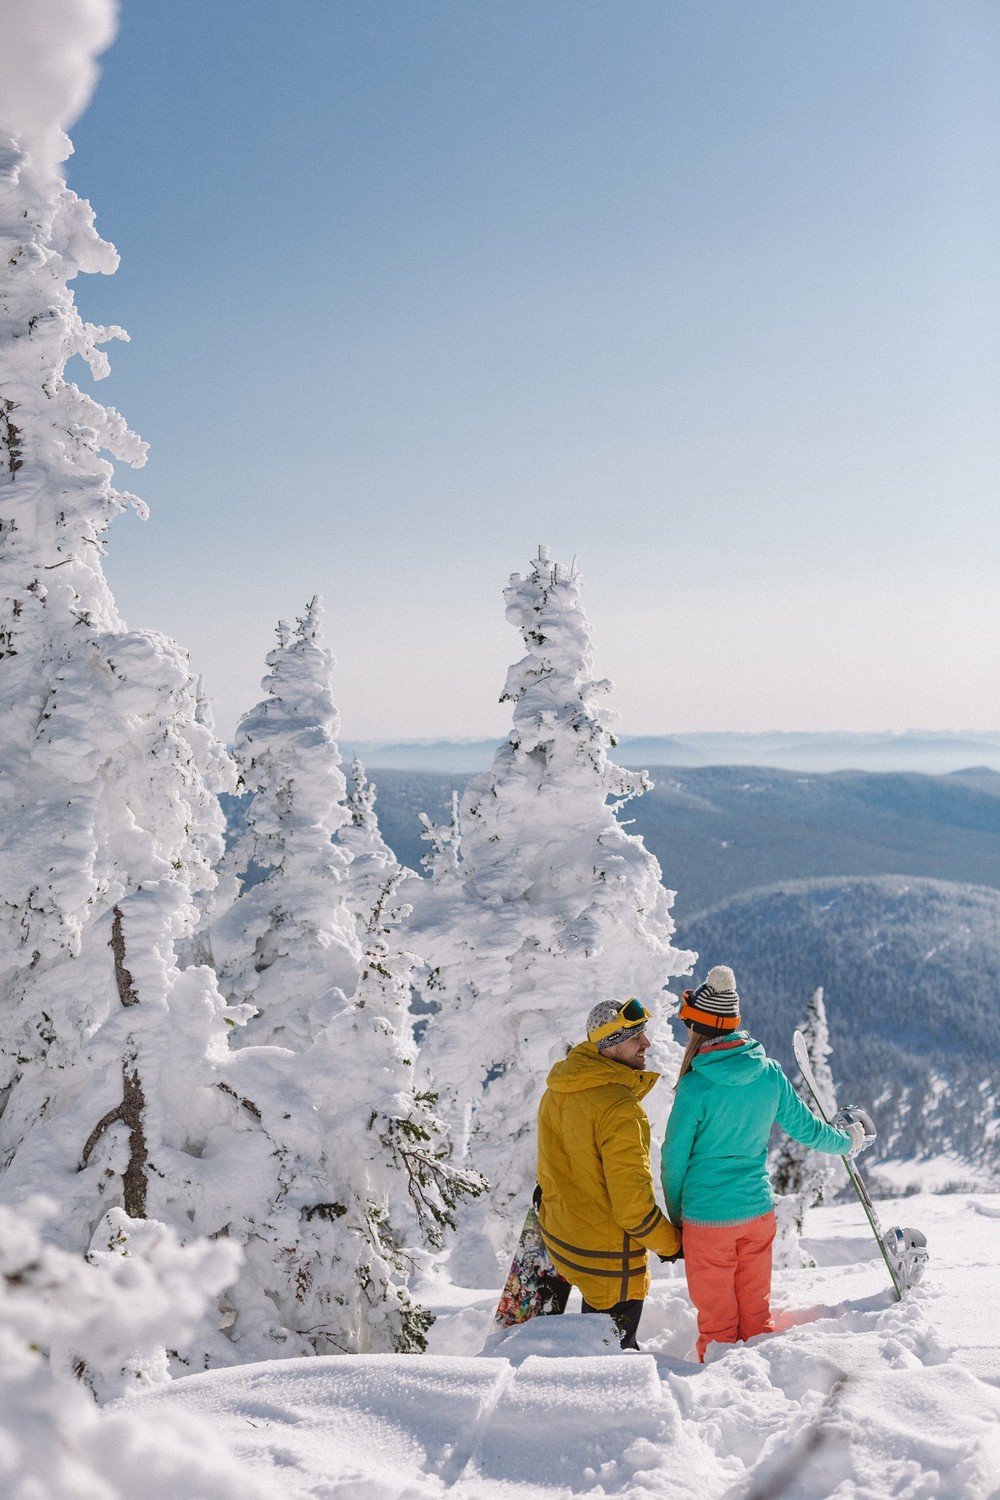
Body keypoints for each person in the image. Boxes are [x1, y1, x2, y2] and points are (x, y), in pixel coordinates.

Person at [660, 966, 869, 1362]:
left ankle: (717, 1401)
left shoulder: (695, 1085)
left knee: (718, 1328)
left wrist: (678, 1216)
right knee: (756, 1319)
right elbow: (810, 1132)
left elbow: (673, 1160)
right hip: (757, 1214)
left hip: (707, 1221)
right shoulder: (769, 1074)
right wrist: (848, 1141)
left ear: (699, 1029)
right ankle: (760, 1383)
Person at [536, 997, 682, 1350]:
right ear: (609, 1044)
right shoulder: (619, 1108)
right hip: (608, 1262)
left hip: (560, 1236)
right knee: (607, 1362)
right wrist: (673, 1243)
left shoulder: (560, 1087)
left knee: (573, 1346)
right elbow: (633, 1210)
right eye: (635, 1037)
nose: (646, 1043)